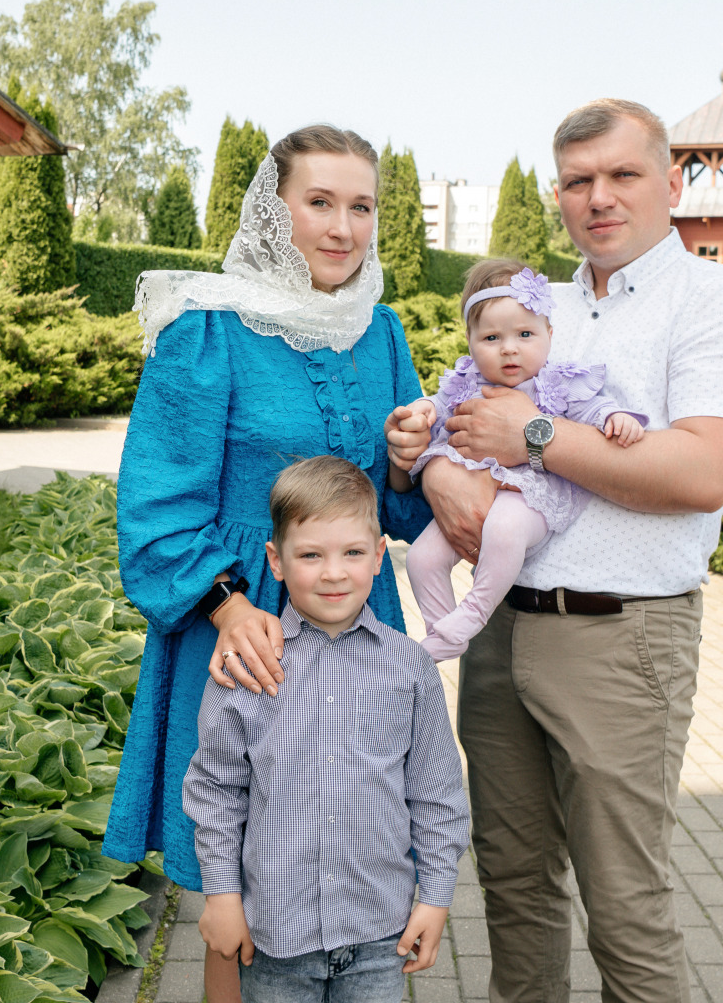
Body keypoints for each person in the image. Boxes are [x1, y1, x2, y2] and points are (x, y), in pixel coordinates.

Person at [385, 99, 723, 1003]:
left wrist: (529, 434)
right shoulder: (534, 305)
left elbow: (700, 472)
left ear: (672, 182)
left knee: (626, 909)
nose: (597, 197)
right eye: (576, 181)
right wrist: (422, 461)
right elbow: (459, 425)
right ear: (557, 194)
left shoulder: (720, 303)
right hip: (497, 635)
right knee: (514, 892)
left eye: (621, 175)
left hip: (620, 640)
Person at [106, 126, 433, 1003]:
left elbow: (396, 512)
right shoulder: (208, 329)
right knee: (238, 882)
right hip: (239, 635)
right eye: (318, 203)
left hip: (359, 629)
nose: (341, 227)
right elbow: (154, 507)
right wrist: (225, 605)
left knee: (349, 846)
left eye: (359, 206)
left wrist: (406, 462)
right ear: (271, 212)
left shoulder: (381, 331)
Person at [184, 456, 469, 1000]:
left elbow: (436, 795)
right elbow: (217, 793)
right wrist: (221, 898)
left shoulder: (409, 669)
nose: (333, 572)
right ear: (276, 561)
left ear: (380, 556)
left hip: (378, 939)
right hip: (276, 941)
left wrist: (435, 897)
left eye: (353, 553)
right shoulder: (248, 665)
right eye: (310, 555)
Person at [394, 259, 645, 659]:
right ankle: (443, 633)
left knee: (505, 529)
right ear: (470, 340)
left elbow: (592, 408)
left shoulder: (557, 382)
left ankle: (475, 611)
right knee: (422, 558)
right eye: (491, 338)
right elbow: (437, 405)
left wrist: (615, 418)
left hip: (530, 495)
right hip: (473, 487)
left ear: (549, 333)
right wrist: (422, 410)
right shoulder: (467, 381)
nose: (509, 348)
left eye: (525, 334)